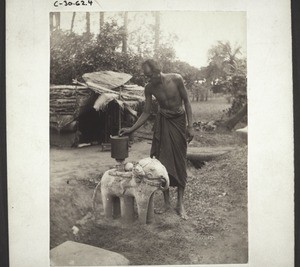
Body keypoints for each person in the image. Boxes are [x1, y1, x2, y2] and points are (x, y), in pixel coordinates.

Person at [119, 59, 194, 219]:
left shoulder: (176, 79)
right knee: (162, 163)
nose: (148, 78)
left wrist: (191, 126)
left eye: (150, 74)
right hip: (163, 123)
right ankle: (167, 203)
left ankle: (180, 204)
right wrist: (131, 129)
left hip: (179, 123)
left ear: (157, 70)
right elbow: (146, 112)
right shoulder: (149, 88)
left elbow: (187, 102)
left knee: (180, 162)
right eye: (146, 76)